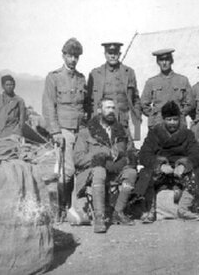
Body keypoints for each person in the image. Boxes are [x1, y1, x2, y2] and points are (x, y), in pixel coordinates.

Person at [74, 98, 138, 233]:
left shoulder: (122, 131)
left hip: (115, 169)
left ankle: (118, 212)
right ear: (99, 111)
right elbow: (78, 159)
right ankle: (99, 217)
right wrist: (100, 155)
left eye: (113, 108)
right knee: (99, 171)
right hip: (91, 172)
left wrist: (124, 157)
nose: (111, 111)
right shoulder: (86, 132)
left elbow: (131, 151)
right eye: (107, 108)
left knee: (131, 173)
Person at [42, 37, 87, 219]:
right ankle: (61, 207)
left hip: (80, 130)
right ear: (63, 56)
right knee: (66, 171)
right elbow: (48, 106)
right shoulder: (54, 77)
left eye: (76, 56)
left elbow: (87, 107)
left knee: (79, 169)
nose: (73, 60)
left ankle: (73, 207)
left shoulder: (81, 78)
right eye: (70, 56)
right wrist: (55, 132)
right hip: (64, 131)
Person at [136, 100, 199, 222]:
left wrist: (184, 165)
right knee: (146, 173)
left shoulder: (187, 134)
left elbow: (197, 154)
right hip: (162, 171)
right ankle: (150, 210)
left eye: (175, 119)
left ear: (179, 119)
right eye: (169, 119)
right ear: (163, 119)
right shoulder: (154, 133)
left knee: (198, 172)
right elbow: (144, 155)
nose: (172, 123)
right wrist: (160, 165)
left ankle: (184, 209)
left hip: (180, 171)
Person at [85, 42, 142, 139]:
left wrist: (137, 125)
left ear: (120, 54)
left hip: (122, 122)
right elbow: (88, 101)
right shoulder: (95, 74)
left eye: (115, 53)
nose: (112, 56)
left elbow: (136, 100)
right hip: (101, 123)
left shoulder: (129, 72)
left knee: (124, 151)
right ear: (105, 54)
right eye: (110, 53)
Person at [140, 49, 193, 129]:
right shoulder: (151, 82)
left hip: (178, 124)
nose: (164, 63)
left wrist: (180, 113)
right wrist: (155, 114)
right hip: (158, 124)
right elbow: (143, 104)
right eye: (161, 60)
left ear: (172, 61)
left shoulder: (182, 80)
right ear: (157, 62)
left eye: (167, 59)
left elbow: (191, 103)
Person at [0, 75, 26, 140]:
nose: (10, 87)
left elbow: (22, 121)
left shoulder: (19, 101)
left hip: (13, 132)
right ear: (3, 86)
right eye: (7, 85)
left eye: (12, 84)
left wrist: (17, 133)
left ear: (14, 85)